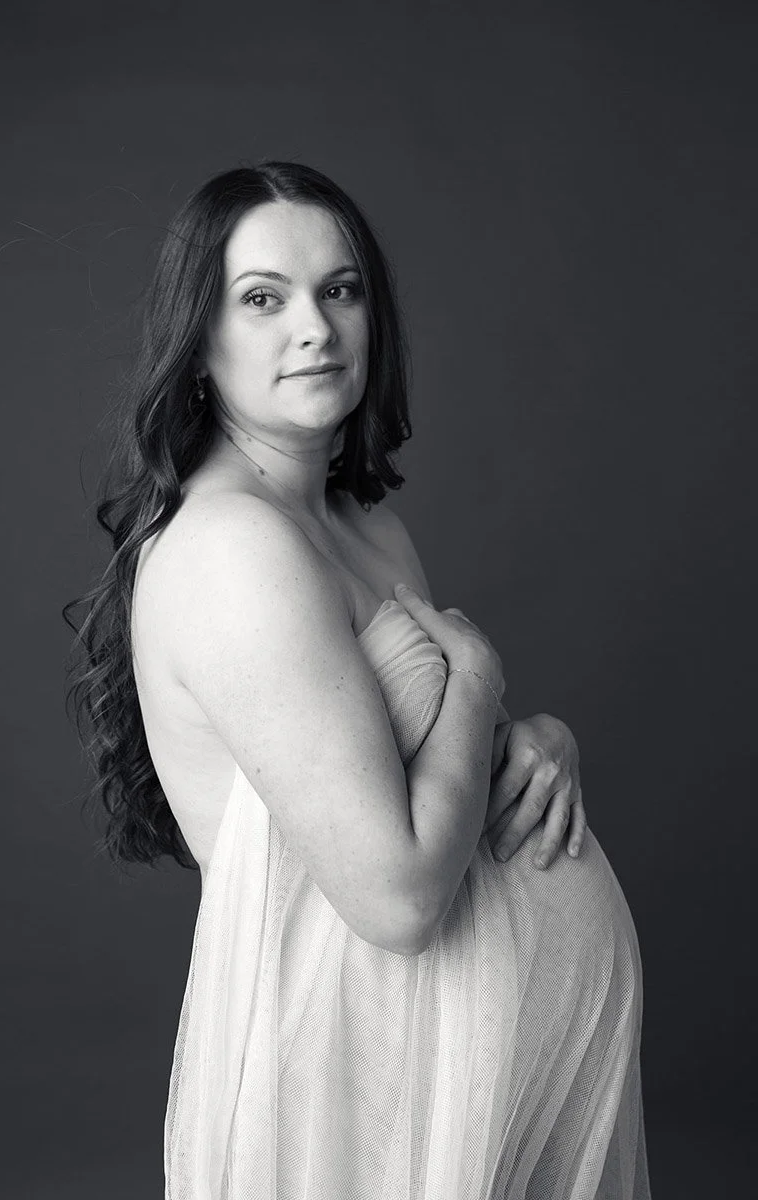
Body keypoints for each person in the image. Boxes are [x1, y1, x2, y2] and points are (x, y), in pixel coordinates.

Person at [65, 161, 651, 1199]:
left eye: (339, 289)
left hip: (461, 1076)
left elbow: (440, 773)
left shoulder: (359, 525)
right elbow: (396, 897)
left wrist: (539, 736)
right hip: (362, 1086)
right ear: (197, 344)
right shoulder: (234, 548)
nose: (315, 328)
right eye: (262, 299)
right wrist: (476, 678)